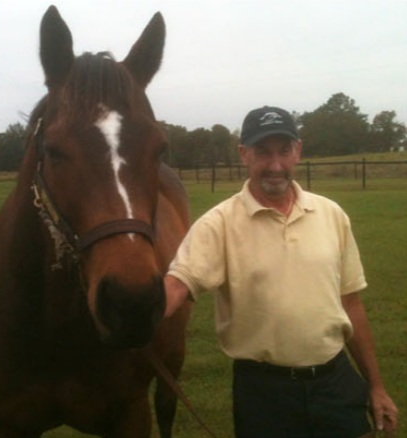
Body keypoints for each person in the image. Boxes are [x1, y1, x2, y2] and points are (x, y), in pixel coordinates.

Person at [164, 106, 398, 438]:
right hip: (263, 393)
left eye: (284, 151)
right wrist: (133, 310)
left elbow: (351, 305)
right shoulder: (218, 223)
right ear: (244, 154)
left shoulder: (331, 214)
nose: (275, 166)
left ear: (297, 151)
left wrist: (376, 386)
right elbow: (177, 285)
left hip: (335, 382)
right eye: (263, 152)